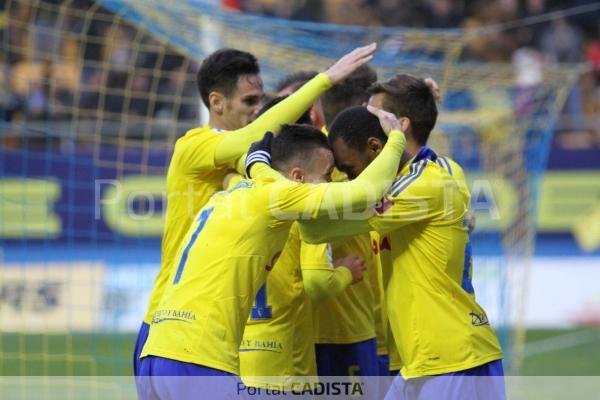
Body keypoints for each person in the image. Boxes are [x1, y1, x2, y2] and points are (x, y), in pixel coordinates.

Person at [132, 43, 377, 377]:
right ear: (217, 102)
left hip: (224, 328)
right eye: (249, 102)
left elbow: (311, 152)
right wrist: (324, 80)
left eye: (261, 101)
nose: (257, 110)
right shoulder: (196, 147)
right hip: (175, 318)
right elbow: (258, 140)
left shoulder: (257, 166)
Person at [138, 112, 407, 396]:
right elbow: (368, 190)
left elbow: (299, 215)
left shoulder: (232, 195)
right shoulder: (281, 196)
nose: (330, 183)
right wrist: (396, 138)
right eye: (327, 175)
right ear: (298, 177)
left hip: (156, 354)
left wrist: (256, 161)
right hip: (200, 357)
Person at [302, 97, 504, 399]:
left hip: (453, 357)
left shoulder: (420, 186)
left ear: (375, 148)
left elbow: (318, 230)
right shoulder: (414, 179)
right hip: (423, 361)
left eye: (351, 169)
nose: (351, 179)